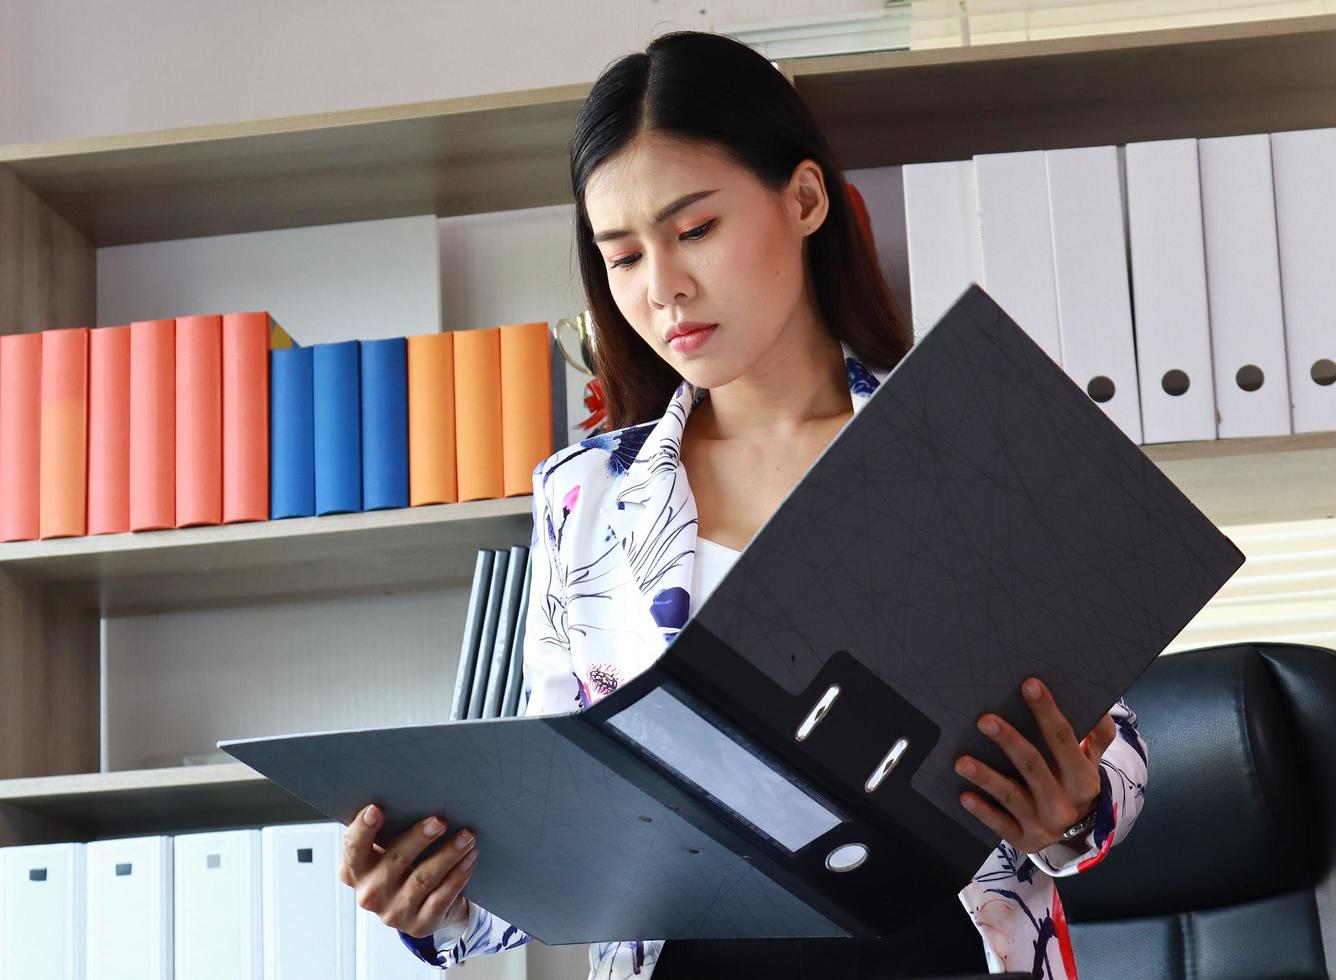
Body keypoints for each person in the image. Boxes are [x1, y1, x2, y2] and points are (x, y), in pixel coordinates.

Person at [336, 29, 1149, 980]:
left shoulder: (962, 453)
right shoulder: (585, 499)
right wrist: (436, 898)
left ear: (804, 199)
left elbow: (1112, 756)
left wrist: (1075, 805)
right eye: (623, 256)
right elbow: (567, 824)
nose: (663, 288)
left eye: (695, 230)